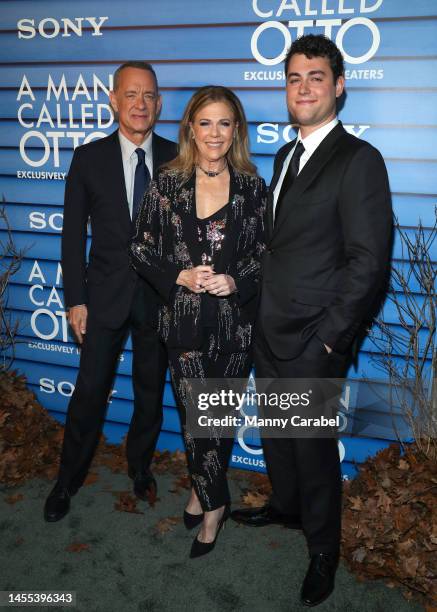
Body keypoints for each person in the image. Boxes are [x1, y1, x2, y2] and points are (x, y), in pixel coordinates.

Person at [231, 35, 392, 606]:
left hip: (313, 339)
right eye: (294, 78)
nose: (303, 88)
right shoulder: (283, 156)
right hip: (269, 328)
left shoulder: (359, 161)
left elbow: (369, 263)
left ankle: (324, 550)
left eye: (316, 77)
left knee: (315, 448)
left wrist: (329, 340)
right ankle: (286, 508)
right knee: (279, 436)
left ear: (339, 85)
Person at [130, 85, 266, 558]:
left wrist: (238, 281)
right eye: (205, 123)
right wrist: (179, 274)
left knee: (220, 419)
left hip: (234, 327)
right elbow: (140, 248)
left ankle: (201, 496)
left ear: (236, 130)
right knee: (196, 420)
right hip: (183, 326)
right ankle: (215, 505)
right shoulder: (166, 184)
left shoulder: (252, 187)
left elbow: (267, 253)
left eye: (224, 123)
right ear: (190, 127)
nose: (215, 133)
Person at [44, 61, 177, 522]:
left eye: (149, 97)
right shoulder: (88, 158)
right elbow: (70, 237)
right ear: (114, 101)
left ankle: (140, 468)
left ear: (159, 105)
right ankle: (68, 480)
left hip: (159, 300)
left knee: (148, 391)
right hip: (102, 297)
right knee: (89, 391)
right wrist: (75, 299)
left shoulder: (179, 158)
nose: (140, 105)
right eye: (131, 95)